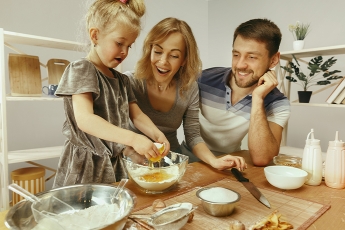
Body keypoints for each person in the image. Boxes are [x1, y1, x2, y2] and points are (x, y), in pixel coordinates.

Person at [53, 0, 170, 188]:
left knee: (112, 211)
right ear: (95, 35)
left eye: (129, 46)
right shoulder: (82, 69)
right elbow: (85, 120)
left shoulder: (122, 80)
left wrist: (156, 135)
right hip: (84, 167)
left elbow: (136, 114)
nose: (124, 52)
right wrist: (133, 138)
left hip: (113, 165)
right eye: (119, 43)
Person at [124, 17, 246, 171]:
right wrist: (130, 152)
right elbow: (112, 132)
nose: (163, 61)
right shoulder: (130, 82)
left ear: (183, 60)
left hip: (170, 164)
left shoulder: (189, 88)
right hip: (132, 164)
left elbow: (193, 135)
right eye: (158, 52)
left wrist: (214, 161)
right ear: (149, 50)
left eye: (174, 55)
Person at [193, 18, 291, 166]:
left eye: (252, 57)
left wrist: (257, 99)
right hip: (189, 157)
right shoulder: (203, 79)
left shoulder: (277, 103)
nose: (240, 65)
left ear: (273, 60)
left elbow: (262, 158)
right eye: (236, 54)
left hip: (230, 162)